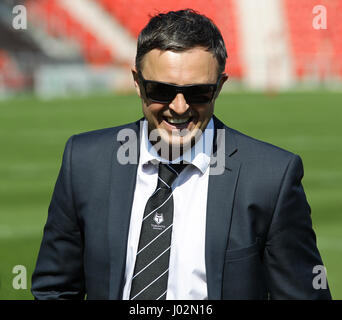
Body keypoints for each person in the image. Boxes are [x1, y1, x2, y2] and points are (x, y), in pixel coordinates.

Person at [31, 9, 331, 300]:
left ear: (219, 87)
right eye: (161, 90)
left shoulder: (271, 176)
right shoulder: (84, 162)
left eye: (198, 92)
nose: (179, 107)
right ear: (137, 83)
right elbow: (55, 289)